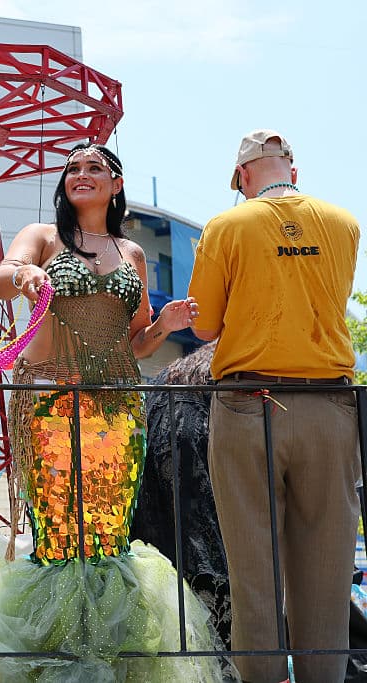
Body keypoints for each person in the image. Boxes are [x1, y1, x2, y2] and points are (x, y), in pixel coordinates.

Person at [0, 142, 226, 680]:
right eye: (72, 169)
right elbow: (4, 273)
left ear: (116, 185)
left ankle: (108, 654)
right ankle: (53, 657)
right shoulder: (44, 238)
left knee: (106, 533)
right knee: (60, 534)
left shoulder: (132, 253)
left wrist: (164, 326)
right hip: (51, 402)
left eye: (95, 168)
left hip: (116, 410)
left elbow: (135, 341)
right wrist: (25, 276)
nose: (82, 175)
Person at [189, 129, 360, 683]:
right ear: (293, 169)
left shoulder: (227, 225)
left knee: (253, 572)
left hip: (248, 404)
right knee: (329, 569)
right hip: (329, 404)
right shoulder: (342, 222)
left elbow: (206, 325)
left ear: (241, 177)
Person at [129, 341, 232, 646]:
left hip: (156, 461)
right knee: (206, 563)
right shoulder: (222, 371)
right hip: (189, 450)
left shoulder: (170, 376)